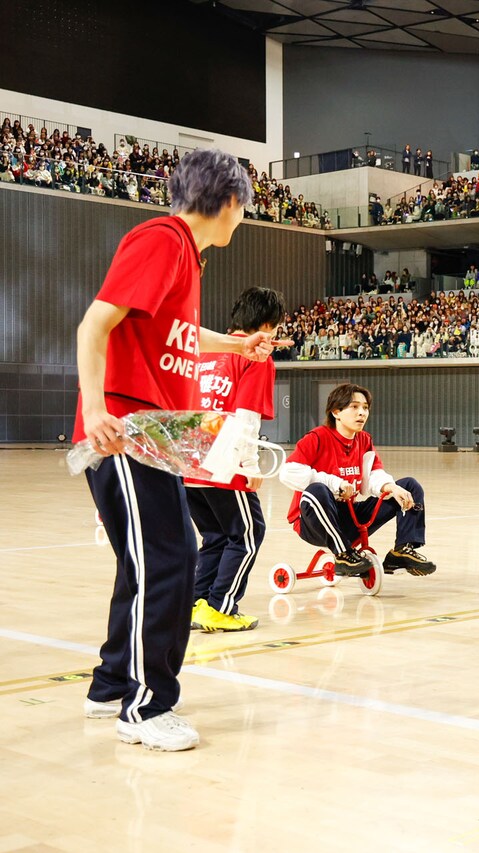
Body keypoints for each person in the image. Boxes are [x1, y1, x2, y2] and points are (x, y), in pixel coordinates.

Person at [77, 149, 285, 751]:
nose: (242, 218)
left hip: (155, 436)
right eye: (242, 209)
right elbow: (94, 326)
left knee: (146, 563)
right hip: (128, 431)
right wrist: (96, 410)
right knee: (168, 562)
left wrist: (236, 345)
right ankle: (145, 708)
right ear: (226, 203)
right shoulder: (163, 240)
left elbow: (177, 335)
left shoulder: (182, 258)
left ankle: (110, 684)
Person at [184, 286, 285, 633]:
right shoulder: (256, 354)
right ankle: (221, 608)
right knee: (248, 534)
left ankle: (198, 603)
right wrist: (250, 465)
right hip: (225, 460)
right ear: (269, 325)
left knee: (215, 535)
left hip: (190, 458)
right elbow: (245, 416)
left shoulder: (207, 352)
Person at [280, 383, 437, 577]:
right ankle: (343, 554)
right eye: (354, 407)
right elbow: (288, 472)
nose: (361, 413)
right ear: (336, 411)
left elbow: (373, 475)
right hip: (313, 522)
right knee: (317, 490)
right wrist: (334, 484)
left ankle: (401, 551)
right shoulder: (317, 437)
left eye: (365, 408)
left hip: (349, 516)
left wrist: (390, 487)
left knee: (408, 486)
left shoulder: (364, 440)